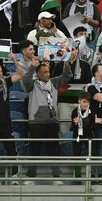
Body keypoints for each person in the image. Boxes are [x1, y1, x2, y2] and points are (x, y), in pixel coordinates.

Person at [21, 50, 76, 183]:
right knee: (34, 150)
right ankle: (30, 176)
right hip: (36, 122)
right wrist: (33, 66)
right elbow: (25, 80)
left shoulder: (54, 82)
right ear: (38, 74)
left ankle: (56, 176)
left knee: (54, 149)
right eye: (45, 72)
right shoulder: (32, 85)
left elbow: (67, 76)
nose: (48, 74)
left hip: (52, 121)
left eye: (48, 71)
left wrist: (67, 63)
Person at [70, 91, 96, 179]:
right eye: (84, 101)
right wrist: (83, 122)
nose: (86, 104)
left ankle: (91, 176)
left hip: (89, 135)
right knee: (76, 155)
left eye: (88, 102)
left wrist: (80, 121)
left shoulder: (92, 111)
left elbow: (91, 125)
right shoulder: (75, 111)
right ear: (79, 101)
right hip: (77, 136)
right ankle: (77, 177)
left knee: (92, 155)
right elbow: (74, 125)